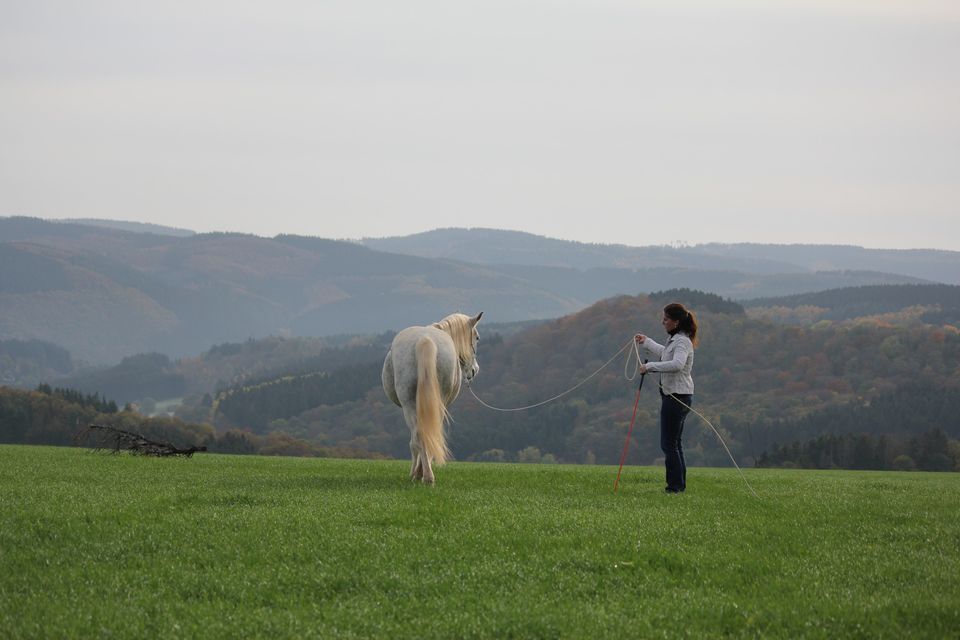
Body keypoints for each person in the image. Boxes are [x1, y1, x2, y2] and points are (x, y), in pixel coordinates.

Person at [634, 302, 698, 493]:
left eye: (666, 319)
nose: (663, 322)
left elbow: (677, 364)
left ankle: (675, 487)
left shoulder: (682, 342)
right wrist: (646, 342)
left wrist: (650, 367)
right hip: (676, 395)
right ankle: (678, 485)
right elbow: (665, 354)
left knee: (668, 444)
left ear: (676, 322)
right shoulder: (677, 340)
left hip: (677, 397)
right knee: (674, 444)